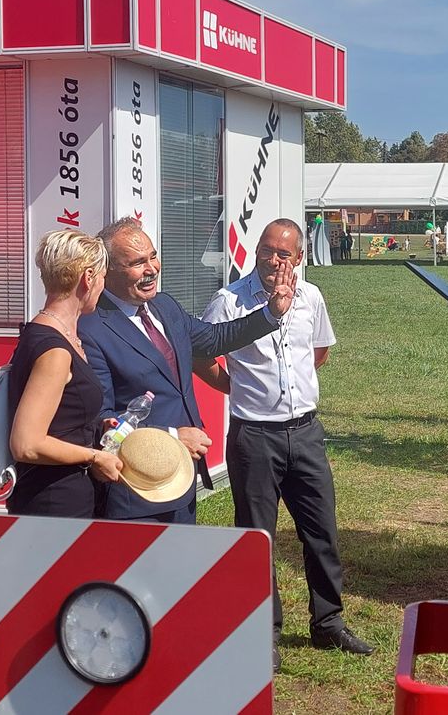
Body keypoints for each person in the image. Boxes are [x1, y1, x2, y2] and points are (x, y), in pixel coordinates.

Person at [196, 218, 374, 670]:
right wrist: (235, 386)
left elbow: (319, 351)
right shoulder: (230, 301)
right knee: (258, 537)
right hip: (254, 435)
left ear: (299, 258)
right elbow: (201, 355)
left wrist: (297, 388)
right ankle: (263, 631)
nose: (273, 260)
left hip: (305, 432)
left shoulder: (311, 297)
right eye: (266, 250)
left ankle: (328, 622)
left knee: (322, 531)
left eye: (283, 254)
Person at [78, 217, 296, 523]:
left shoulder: (165, 307)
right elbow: (103, 422)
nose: (151, 268)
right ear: (108, 270)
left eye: (153, 256)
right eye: (138, 263)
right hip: (134, 494)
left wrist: (271, 313)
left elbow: (215, 339)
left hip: (180, 480)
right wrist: (173, 437)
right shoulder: (91, 329)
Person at [7, 229, 123, 518]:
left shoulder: (55, 335)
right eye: (103, 277)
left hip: (67, 496)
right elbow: (27, 444)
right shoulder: (55, 351)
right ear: (88, 278)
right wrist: (95, 455)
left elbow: (62, 416)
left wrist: (97, 428)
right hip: (52, 504)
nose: (102, 286)